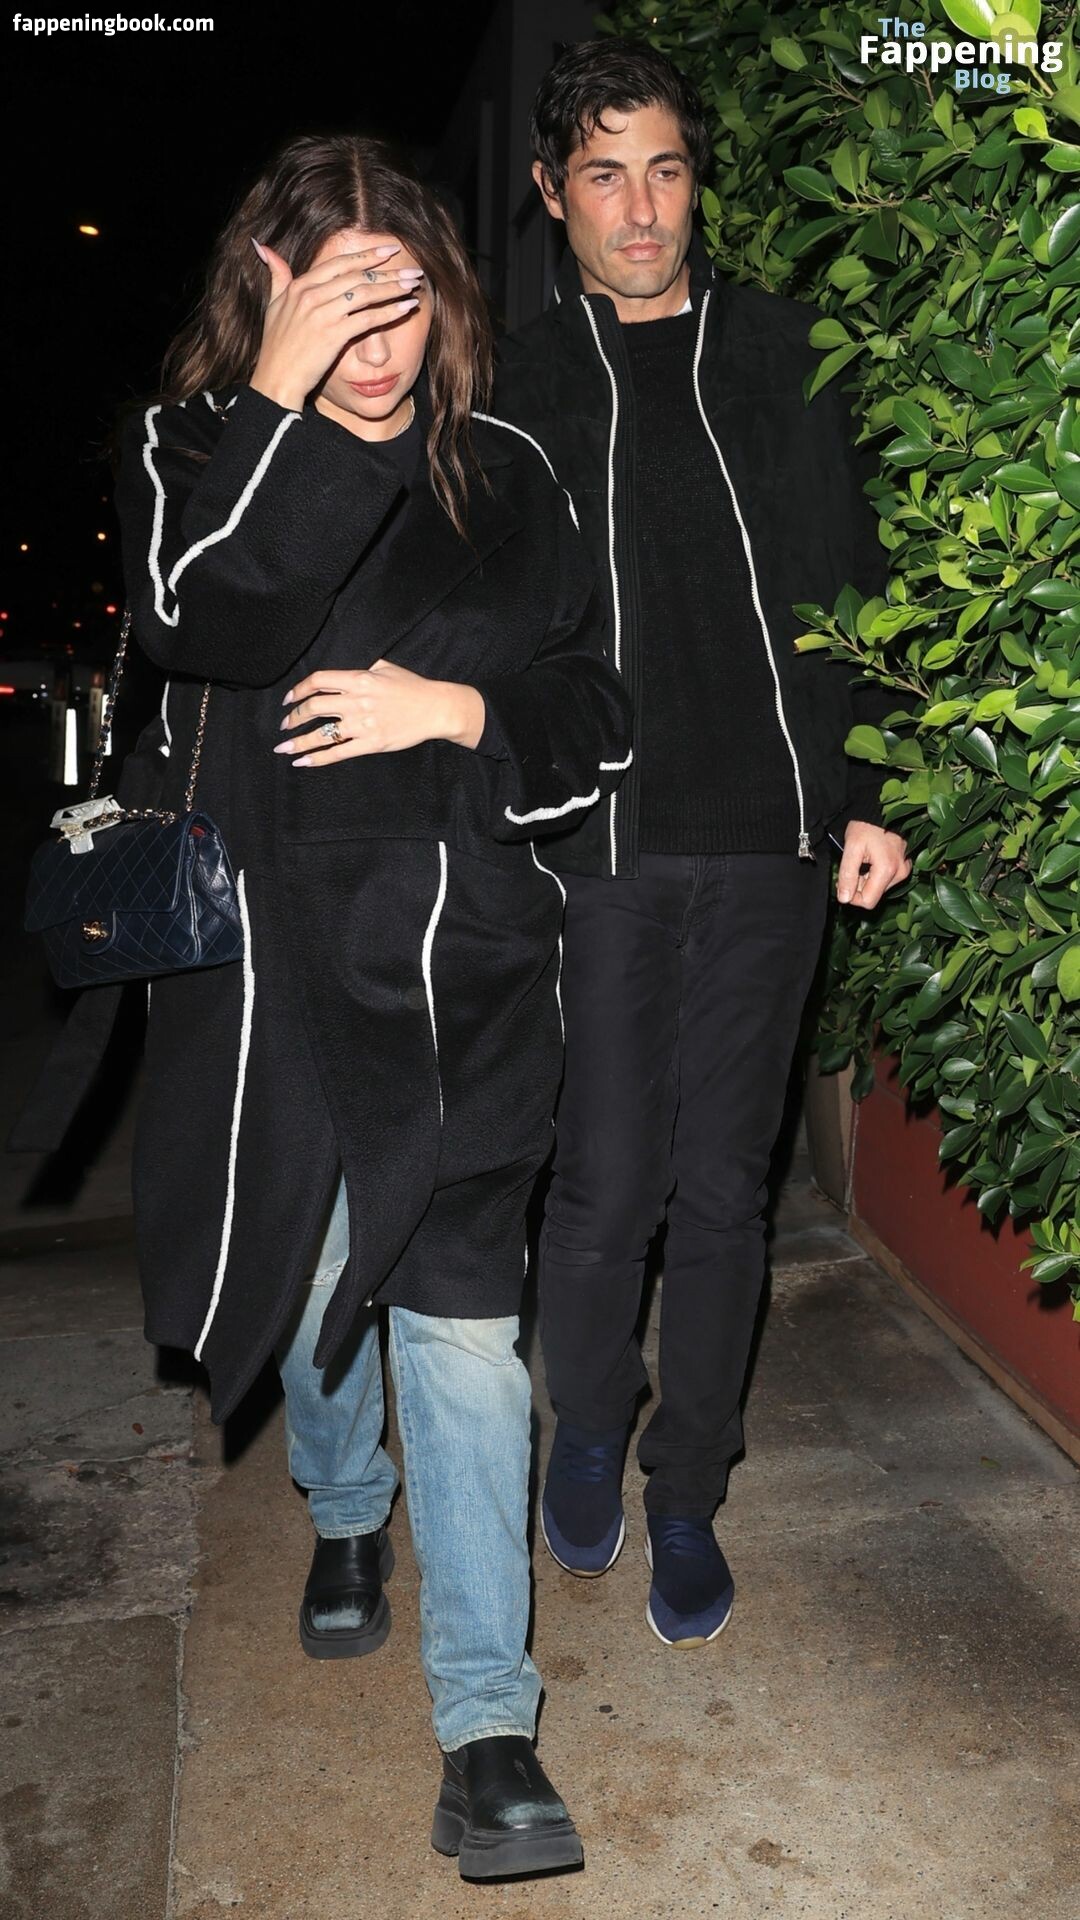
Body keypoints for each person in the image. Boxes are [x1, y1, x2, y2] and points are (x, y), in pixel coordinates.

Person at [110, 132, 631, 1880]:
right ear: (265, 301)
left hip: (461, 969)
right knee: (321, 1276)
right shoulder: (197, 452)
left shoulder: (507, 475)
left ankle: (489, 1729)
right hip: (272, 978)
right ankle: (344, 1509)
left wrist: (455, 713)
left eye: (399, 294)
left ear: (449, 295)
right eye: (335, 300)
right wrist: (279, 393)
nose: (376, 336)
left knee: (465, 1333)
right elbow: (202, 613)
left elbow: (596, 705)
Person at [492, 41, 911, 1650]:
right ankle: (589, 1426)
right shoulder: (522, 384)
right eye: (605, 175)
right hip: (604, 844)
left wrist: (872, 792)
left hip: (772, 845)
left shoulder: (788, 355)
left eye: (665, 169)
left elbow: (860, 580)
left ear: (696, 183)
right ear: (555, 194)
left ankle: (688, 1489)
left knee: (727, 1191)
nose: (641, 208)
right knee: (604, 1180)